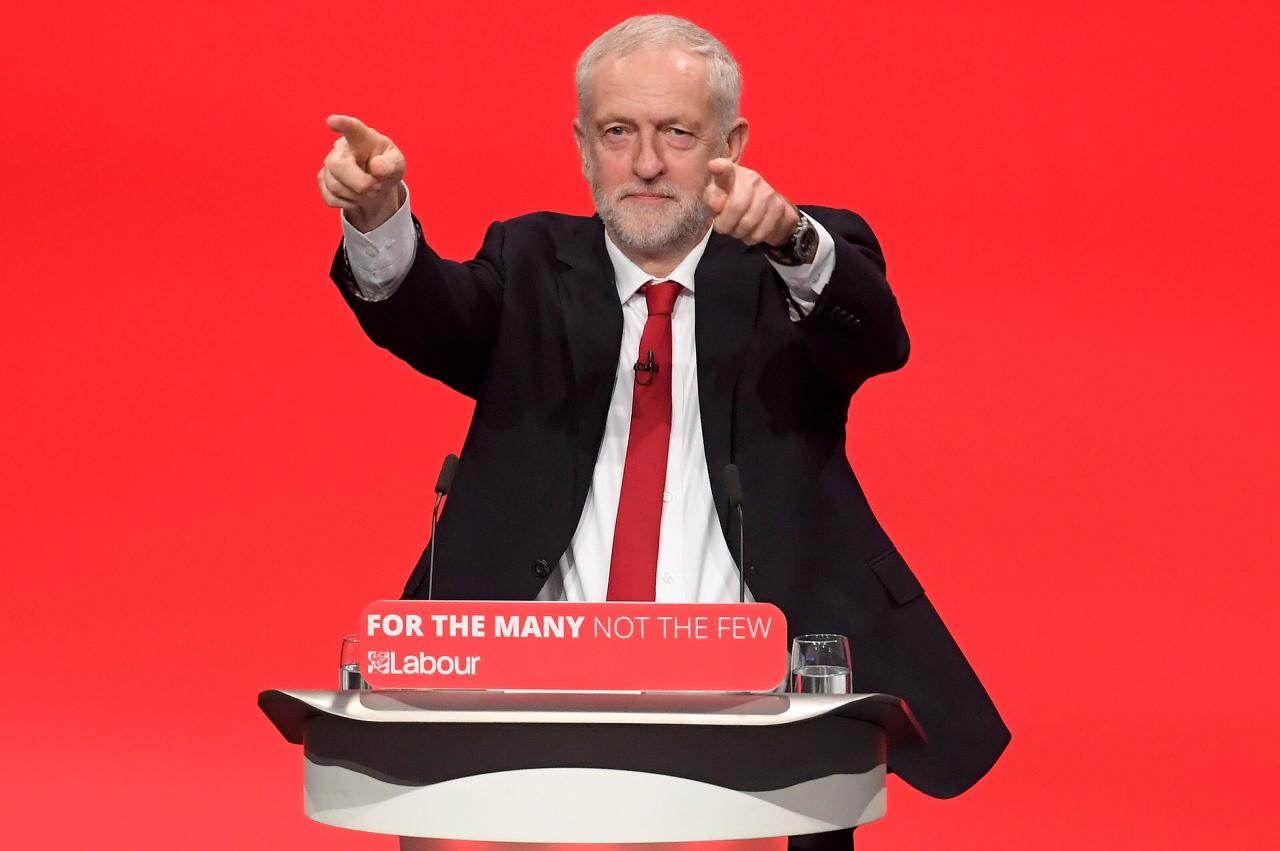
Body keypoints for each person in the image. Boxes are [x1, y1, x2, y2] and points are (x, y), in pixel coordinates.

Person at [318, 14, 1008, 849]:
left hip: (767, 707)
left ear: (733, 141)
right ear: (582, 146)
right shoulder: (531, 261)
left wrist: (791, 239)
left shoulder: (788, 264)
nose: (646, 163)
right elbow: (430, 312)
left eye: (677, 133)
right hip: (533, 695)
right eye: (619, 132)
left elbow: (875, 336)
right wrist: (380, 213)